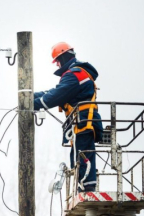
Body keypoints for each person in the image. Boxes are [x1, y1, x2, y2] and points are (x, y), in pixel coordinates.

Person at [33, 42, 103, 192]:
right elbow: (55, 92)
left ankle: (85, 188)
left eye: (57, 61)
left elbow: (56, 96)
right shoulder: (78, 73)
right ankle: (85, 186)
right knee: (82, 155)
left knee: (81, 156)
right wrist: (31, 96)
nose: (57, 65)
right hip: (85, 121)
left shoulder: (74, 75)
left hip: (83, 121)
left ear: (63, 58)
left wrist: (33, 104)